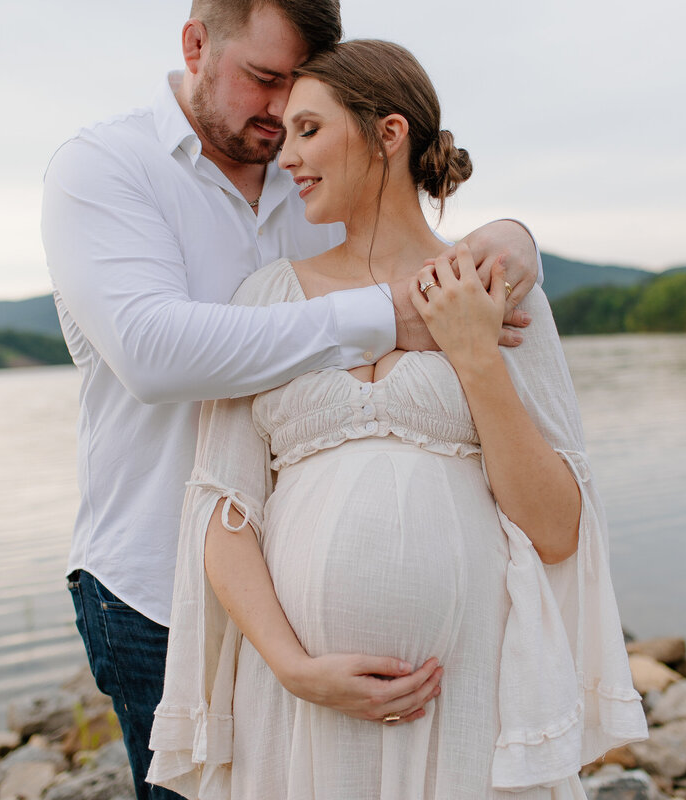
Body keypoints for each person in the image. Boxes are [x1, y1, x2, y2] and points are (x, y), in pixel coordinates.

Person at [39, 2, 542, 798]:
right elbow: (153, 353)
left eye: (299, 91)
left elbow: (398, 222)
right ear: (196, 45)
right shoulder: (106, 167)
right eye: (263, 78)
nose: (279, 115)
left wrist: (513, 236)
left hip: (324, 611)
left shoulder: (308, 163)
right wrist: (386, 319)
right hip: (156, 583)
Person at [147, 39, 647, 800]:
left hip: (467, 695)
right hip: (296, 705)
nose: (288, 158)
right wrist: (294, 667)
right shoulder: (266, 302)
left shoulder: (498, 290)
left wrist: (476, 355)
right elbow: (224, 510)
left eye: (310, 131)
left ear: (388, 133)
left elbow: (556, 530)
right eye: (284, 136)